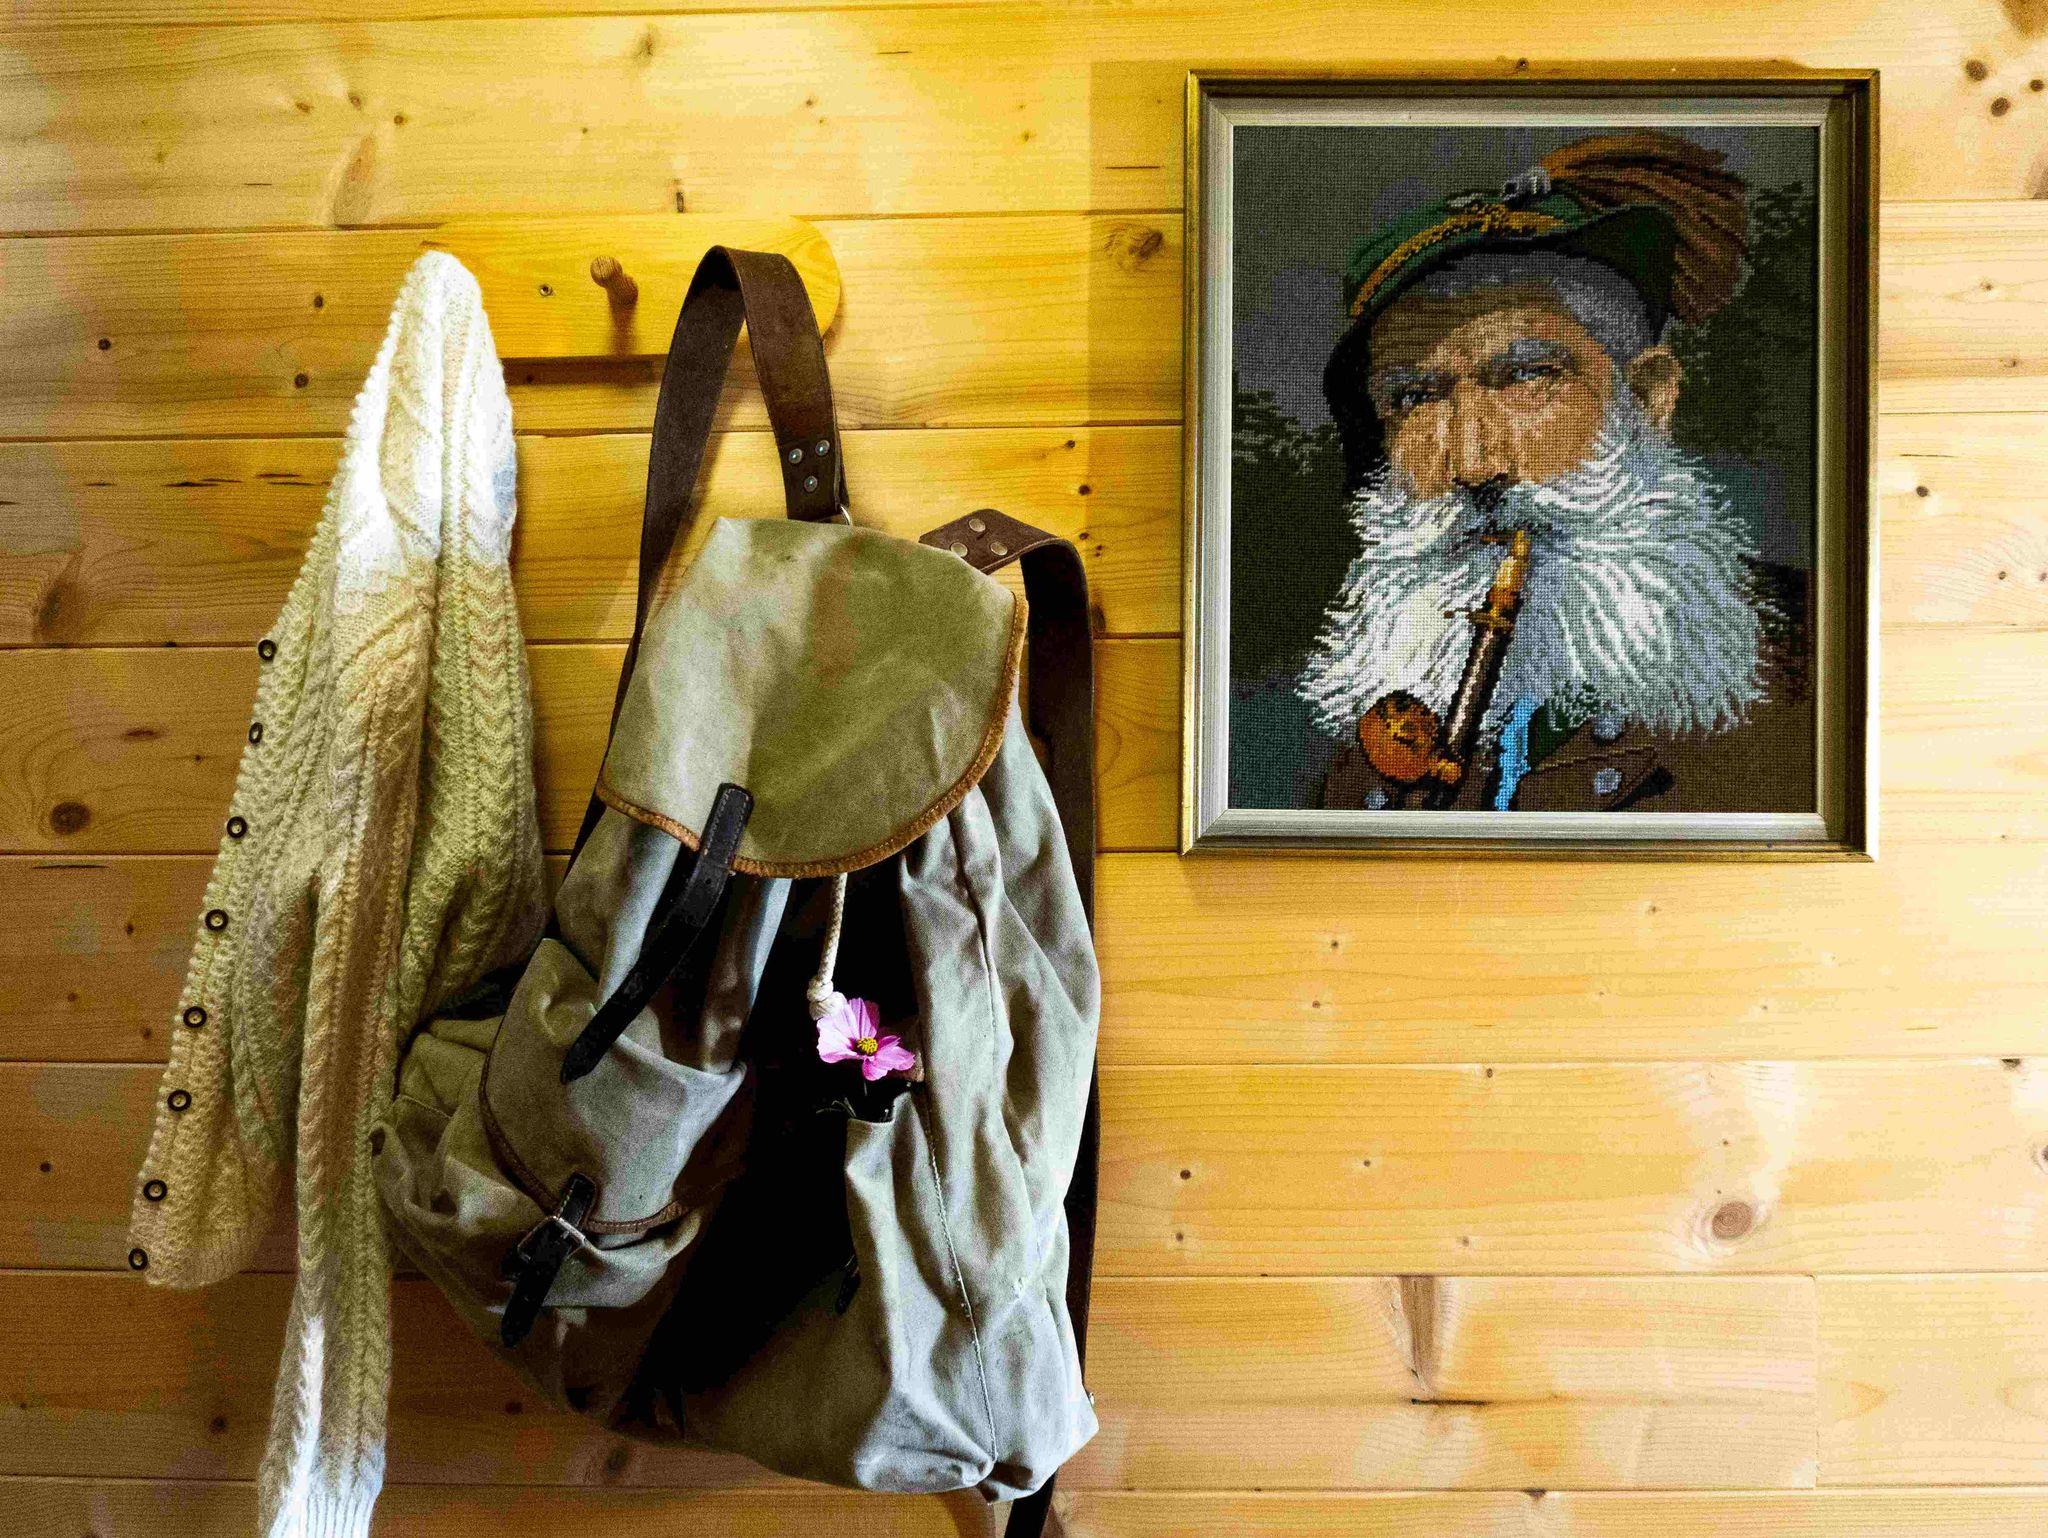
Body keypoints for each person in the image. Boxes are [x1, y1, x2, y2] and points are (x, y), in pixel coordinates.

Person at [1298, 131, 1811, 814]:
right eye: (1415, 398)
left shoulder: (1815, 677)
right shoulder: (1363, 773)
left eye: (1526, 377)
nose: (1473, 465)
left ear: (1647, 400)